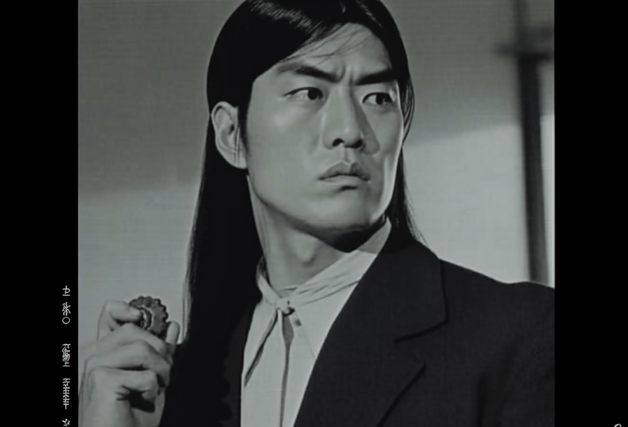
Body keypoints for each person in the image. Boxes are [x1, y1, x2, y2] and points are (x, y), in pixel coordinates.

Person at [79, 1, 554, 426]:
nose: (350, 130)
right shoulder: (177, 382)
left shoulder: (520, 336)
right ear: (231, 134)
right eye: (310, 93)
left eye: (378, 98)